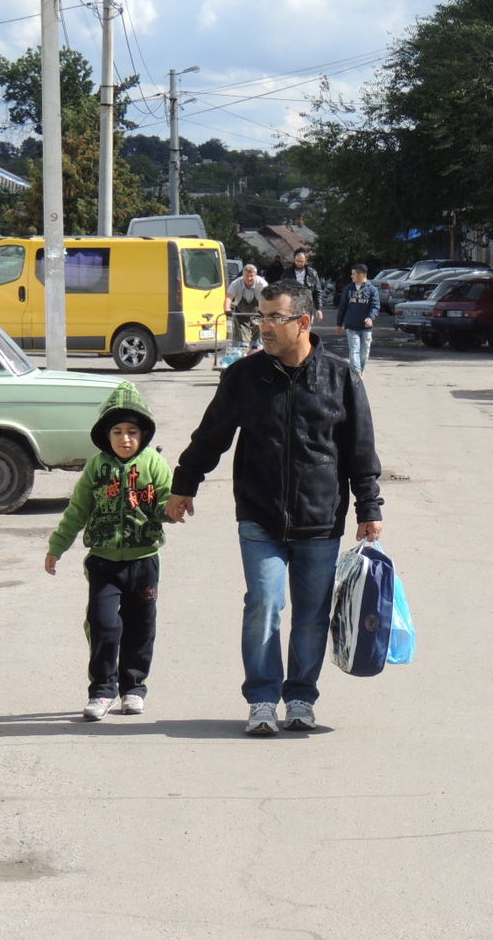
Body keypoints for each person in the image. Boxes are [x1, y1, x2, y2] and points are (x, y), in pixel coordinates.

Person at [164, 281, 383, 736]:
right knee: (264, 602)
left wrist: (369, 506)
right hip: (259, 515)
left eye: (273, 318)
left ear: (303, 322)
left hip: (320, 519)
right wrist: (185, 484)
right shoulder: (244, 377)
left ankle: (300, 696)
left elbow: (360, 450)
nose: (262, 326)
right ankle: (263, 699)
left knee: (311, 613)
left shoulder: (341, 377)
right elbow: (211, 436)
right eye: (260, 317)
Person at [45, 382, 173, 721]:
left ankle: (133, 688)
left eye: (132, 431)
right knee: (103, 624)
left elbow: (166, 500)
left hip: (144, 561)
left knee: (141, 626)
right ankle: (102, 690)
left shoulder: (154, 465)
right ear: (106, 434)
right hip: (104, 563)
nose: (125, 439)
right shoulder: (96, 468)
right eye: (117, 431)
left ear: (143, 433)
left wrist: (173, 509)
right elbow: (77, 511)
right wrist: (57, 546)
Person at [335, 263, 380, 376]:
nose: (351, 276)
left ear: (361, 274)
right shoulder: (348, 289)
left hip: (366, 327)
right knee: (354, 349)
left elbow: (375, 306)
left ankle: (362, 368)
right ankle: (356, 372)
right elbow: (343, 307)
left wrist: (370, 318)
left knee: (364, 352)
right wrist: (339, 323)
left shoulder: (372, 290)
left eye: (353, 274)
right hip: (351, 326)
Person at [224, 263, 267, 349]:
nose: (249, 278)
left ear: (256, 275)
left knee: (257, 338)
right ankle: (242, 352)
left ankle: (255, 351)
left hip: (257, 314)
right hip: (241, 314)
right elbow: (229, 297)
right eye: (246, 276)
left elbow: (267, 299)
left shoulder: (262, 284)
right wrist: (227, 309)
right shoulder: (236, 283)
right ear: (243, 275)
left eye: (251, 276)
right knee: (243, 340)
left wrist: (265, 311)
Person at [286, 249, 324, 322]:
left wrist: (319, 309)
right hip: (291, 306)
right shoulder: (287, 273)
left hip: (307, 306)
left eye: (302, 261)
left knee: (305, 329)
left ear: (306, 260)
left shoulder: (312, 273)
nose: (299, 263)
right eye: (297, 261)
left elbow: (318, 291)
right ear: (294, 259)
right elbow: (281, 289)